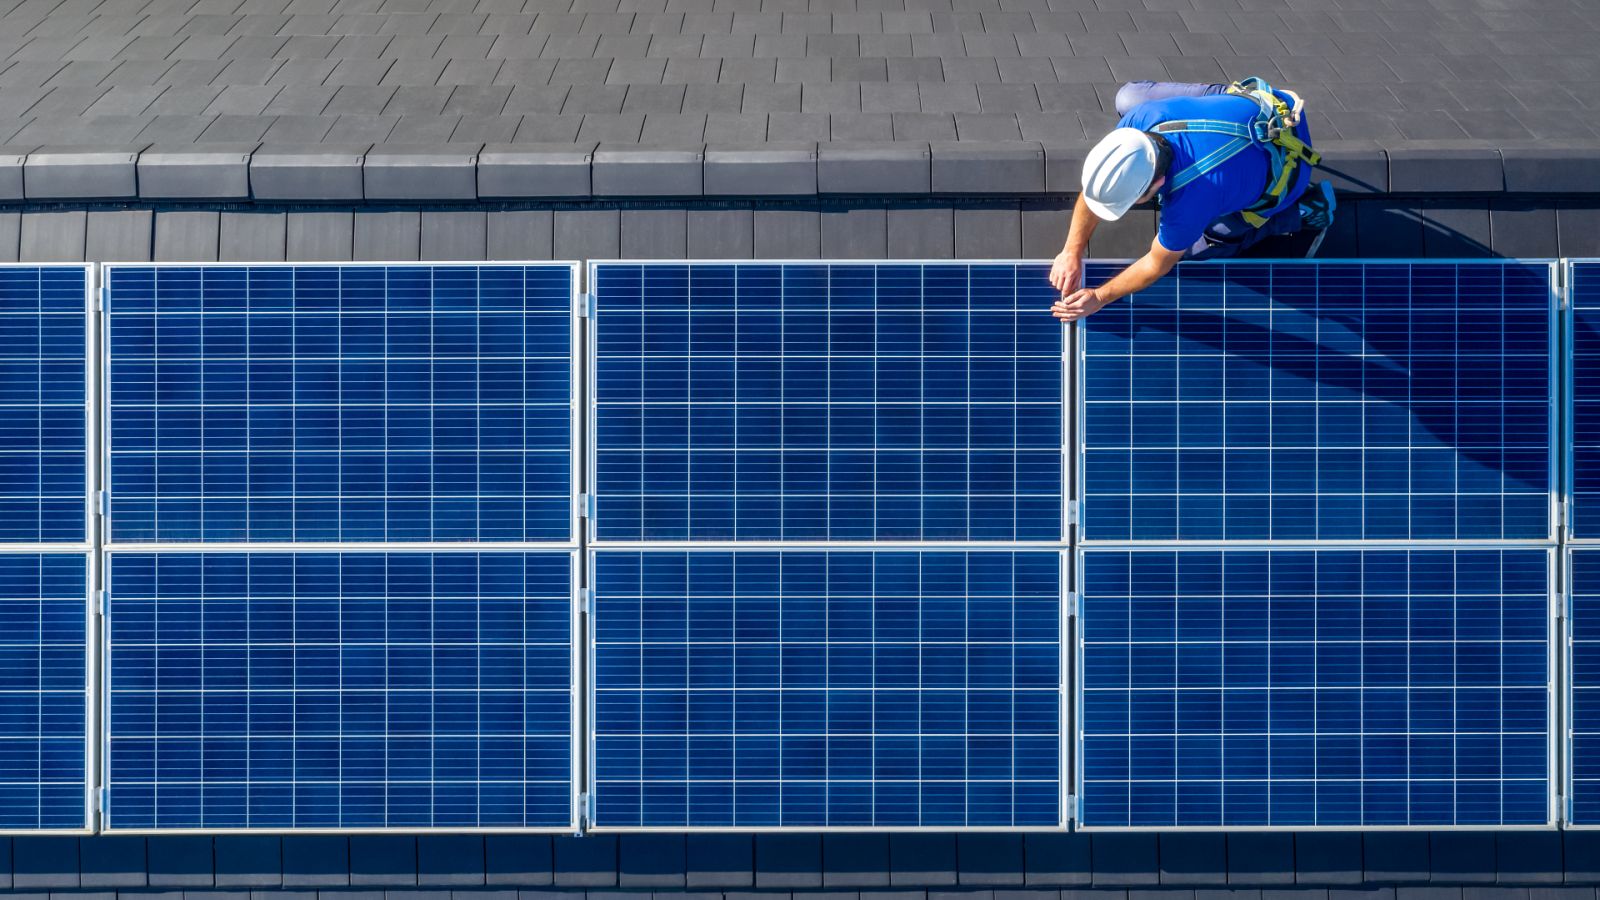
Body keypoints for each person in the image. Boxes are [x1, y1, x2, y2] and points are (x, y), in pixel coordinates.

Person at [1049, 78, 1337, 323]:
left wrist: (1100, 296)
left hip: (1289, 166)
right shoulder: (1138, 123)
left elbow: (1155, 265)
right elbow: (1096, 189)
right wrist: (1070, 252)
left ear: (1159, 184)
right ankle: (1223, 107)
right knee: (1128, 96)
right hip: (1268, 104)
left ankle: (1305, 211)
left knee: (1204, 246)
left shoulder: (1191, 200)